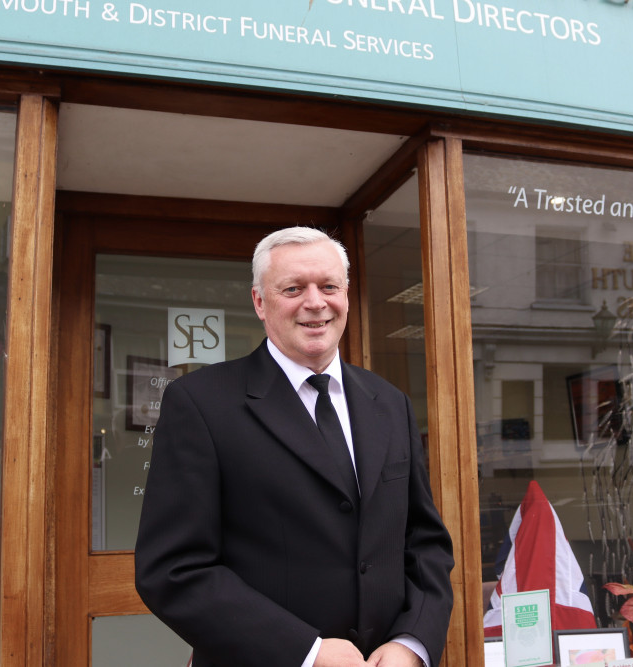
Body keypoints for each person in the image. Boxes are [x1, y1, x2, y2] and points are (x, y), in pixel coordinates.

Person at [135, 227, 455, 667]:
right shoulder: (201, 403)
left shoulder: (390, 403)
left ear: (346, 294)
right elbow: (173, 570)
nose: (315, 302)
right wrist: (308, 651)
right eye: (293, 289)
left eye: (328, 286)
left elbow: (425, 544)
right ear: (260, 303)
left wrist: (413, 643)